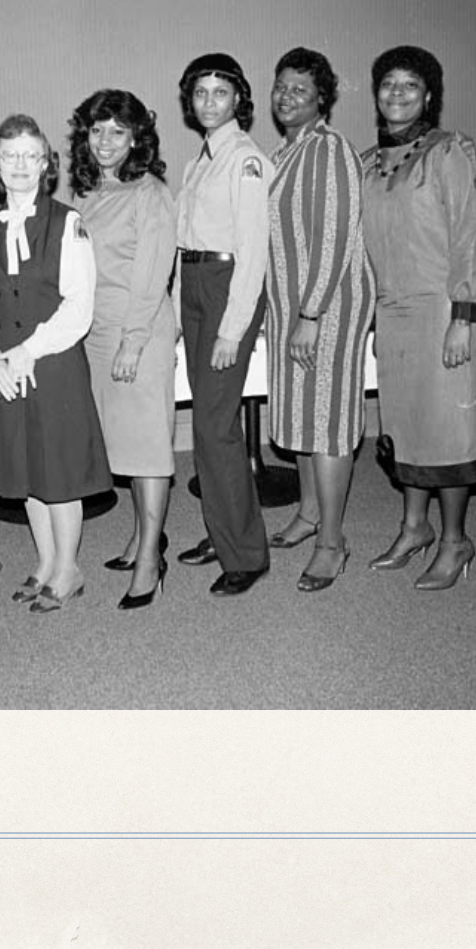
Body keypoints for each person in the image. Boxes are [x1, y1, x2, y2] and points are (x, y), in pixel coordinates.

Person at [357, 45, 476, 591]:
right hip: (394, 314)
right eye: (388, 84)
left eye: (409, 85)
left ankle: (455, 539)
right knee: (407, 427)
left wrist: (464, 315)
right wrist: (372, 316)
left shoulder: (450, 151)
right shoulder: (368, 163)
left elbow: (469, 234)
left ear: (429, 95)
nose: (397, 94)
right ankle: (413, 527)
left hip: (445, 310)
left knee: (447, 433)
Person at [0, 115, 111, 612]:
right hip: (6, 369)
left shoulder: (68, 223)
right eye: (10, 155)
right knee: (27, 470)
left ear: (47, 163)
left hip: (52, 367)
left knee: (59, 472)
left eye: (31, 155)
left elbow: (79, 306)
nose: (21, 165)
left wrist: (28, 350)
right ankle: (46, 562)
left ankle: (69, 569)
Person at [263, 48, 376, 594]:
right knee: (300, 415)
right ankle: (309, 514)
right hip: (290, 306)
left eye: (300, 90)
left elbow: (334, 235)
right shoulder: (285, 152)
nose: (287, 96)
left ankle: (332, 540)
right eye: (281, 87)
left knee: (327, 420)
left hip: (327, 306)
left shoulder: (328, 150)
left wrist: (311, 314)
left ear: (322, 99)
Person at [68, 89, 180, 610]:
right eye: (96, 130)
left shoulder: (149, 192)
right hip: (98, 333)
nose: (105, 141)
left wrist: (133, 343)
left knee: (149, 447)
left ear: (136, 137)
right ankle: (143, 536)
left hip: (139, 332)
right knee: (128, 448)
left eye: (117, 131)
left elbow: (153, 274)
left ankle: (150, 564)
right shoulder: (89, 194)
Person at [173, 52, 273, 597]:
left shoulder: (246, 160)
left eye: (221, 92)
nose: (210, 102)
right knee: (207, 426)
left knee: (216, 426)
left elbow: (253, 251)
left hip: (226, 288)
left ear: (239, 99)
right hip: (194, 286)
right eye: (201, 93)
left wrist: (233, 329)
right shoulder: (200, 161)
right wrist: (172, 316)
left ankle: (247, 554)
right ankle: (223, 531)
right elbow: (184, 248)